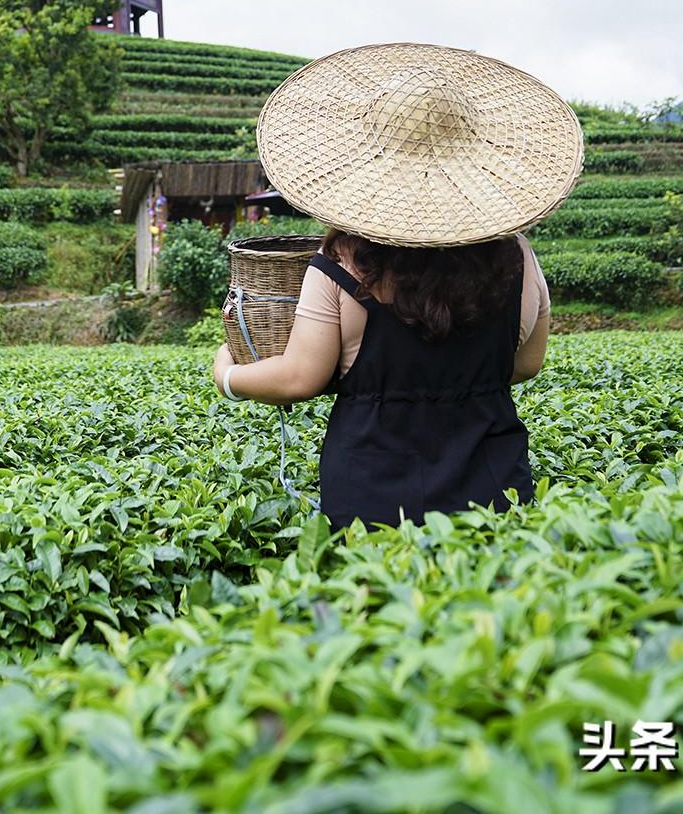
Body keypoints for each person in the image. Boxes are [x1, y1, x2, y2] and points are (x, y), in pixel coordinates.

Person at [209, 41, 582, 530]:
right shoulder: (517, 255)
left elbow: (301, 377)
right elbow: (527, 363)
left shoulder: (341, 260)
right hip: (494, 485)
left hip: (375, 495)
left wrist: (228, 378)